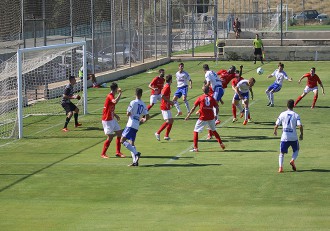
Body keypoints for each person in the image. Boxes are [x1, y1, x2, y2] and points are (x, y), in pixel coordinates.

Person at [185, 85, 225, 152]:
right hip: (211, 117)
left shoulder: (200, 98)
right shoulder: (212, 98)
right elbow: (217, 107)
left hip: (203, 117)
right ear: (209, 90)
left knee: (195, 131)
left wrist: (188, 115)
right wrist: (216, 115)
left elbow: (193, 108)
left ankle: (195, 148)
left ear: (203, 91)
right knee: (214, 131)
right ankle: (221, 143)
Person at [121, 88, 150, 167]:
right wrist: (142, 120)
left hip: (130, 124)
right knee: (131, 143)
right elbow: (147, 116)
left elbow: (128, 113)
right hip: (136, 125)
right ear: (141, 94)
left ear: (135, 94)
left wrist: (131, 115)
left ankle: (136, 154)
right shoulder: (143, 104)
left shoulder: (133, 102)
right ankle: (135, 162)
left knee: (122, 140)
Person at [274, 99, 303, 173]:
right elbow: (300, 125)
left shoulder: (282, 114)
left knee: (281, 153)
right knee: (296, 150)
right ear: (293, 105)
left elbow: (277, 124)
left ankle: (280, 168)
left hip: (284, 137)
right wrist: (301, 134)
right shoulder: (296, 115)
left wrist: (275, 131)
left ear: (286, 105)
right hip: (293, 137)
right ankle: (292, 160)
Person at [100, 82, 125, 159]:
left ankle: (118, 152)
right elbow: (115, 102)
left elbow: (110, 108)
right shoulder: (110, 96)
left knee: (119, 133)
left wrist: (115, 115)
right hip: (107, 120)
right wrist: (120, 94)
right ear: (116, 89)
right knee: (110, 137)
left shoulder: (112, 95)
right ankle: (103, 153)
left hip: (112, 119)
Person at [155, 75, 175, 141]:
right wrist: (169, 101)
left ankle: (166, 136)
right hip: (164, 105)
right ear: (171, 80)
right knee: (168, 121)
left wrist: (170, 102)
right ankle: (158, 133)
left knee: (171, 120)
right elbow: (162, 95)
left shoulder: (167, 86)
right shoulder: (167, 86)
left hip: (167, 105)